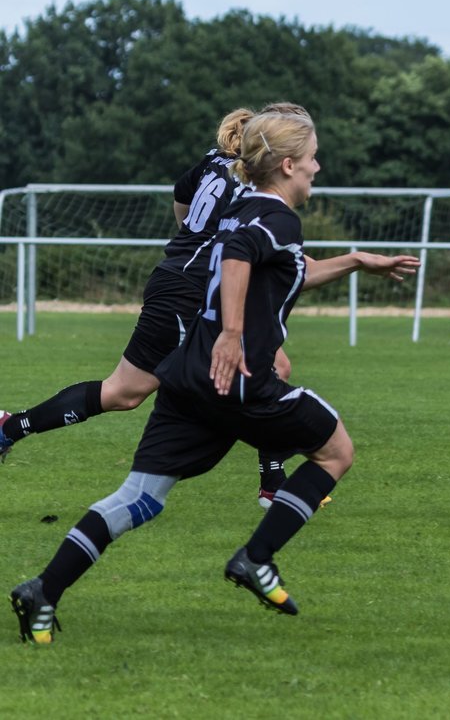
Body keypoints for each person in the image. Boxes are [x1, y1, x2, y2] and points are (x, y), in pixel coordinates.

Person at [9, 110, 420, 643]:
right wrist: (231, 333)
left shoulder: (244, 206)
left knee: (139, 498)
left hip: (188, 379)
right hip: (237, 378)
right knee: (336, 451)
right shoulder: (276, 218)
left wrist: (357, 260)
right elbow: (239, 257)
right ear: (289, 164)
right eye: (313, 158)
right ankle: (256, 557)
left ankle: (44, 589)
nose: (318, 168)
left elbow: (269, 261)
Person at [0, 105, 309, 508]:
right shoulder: (253, 187)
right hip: (187, 291)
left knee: (272, 366)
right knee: (124, 393)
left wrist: (195, 243)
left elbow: (182, 204)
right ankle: (11, 427)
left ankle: (272, 484)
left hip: (185, 280)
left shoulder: (214, 163)